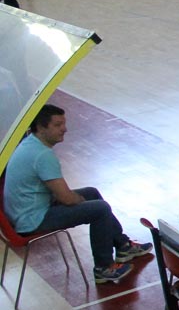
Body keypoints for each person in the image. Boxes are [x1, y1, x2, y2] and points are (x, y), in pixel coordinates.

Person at [2, 104, 152, 283]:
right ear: (41, 127)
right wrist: (78, 200)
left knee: (91, 193)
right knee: (100, 209)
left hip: (23, 212)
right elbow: (66, 198)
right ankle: (104, 268)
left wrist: (79, 199)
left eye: (64, 123)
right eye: (58, 125)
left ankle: (123, 245)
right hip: (32, 220)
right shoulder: (42, 155)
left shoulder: (29, 143)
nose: (64, 129)